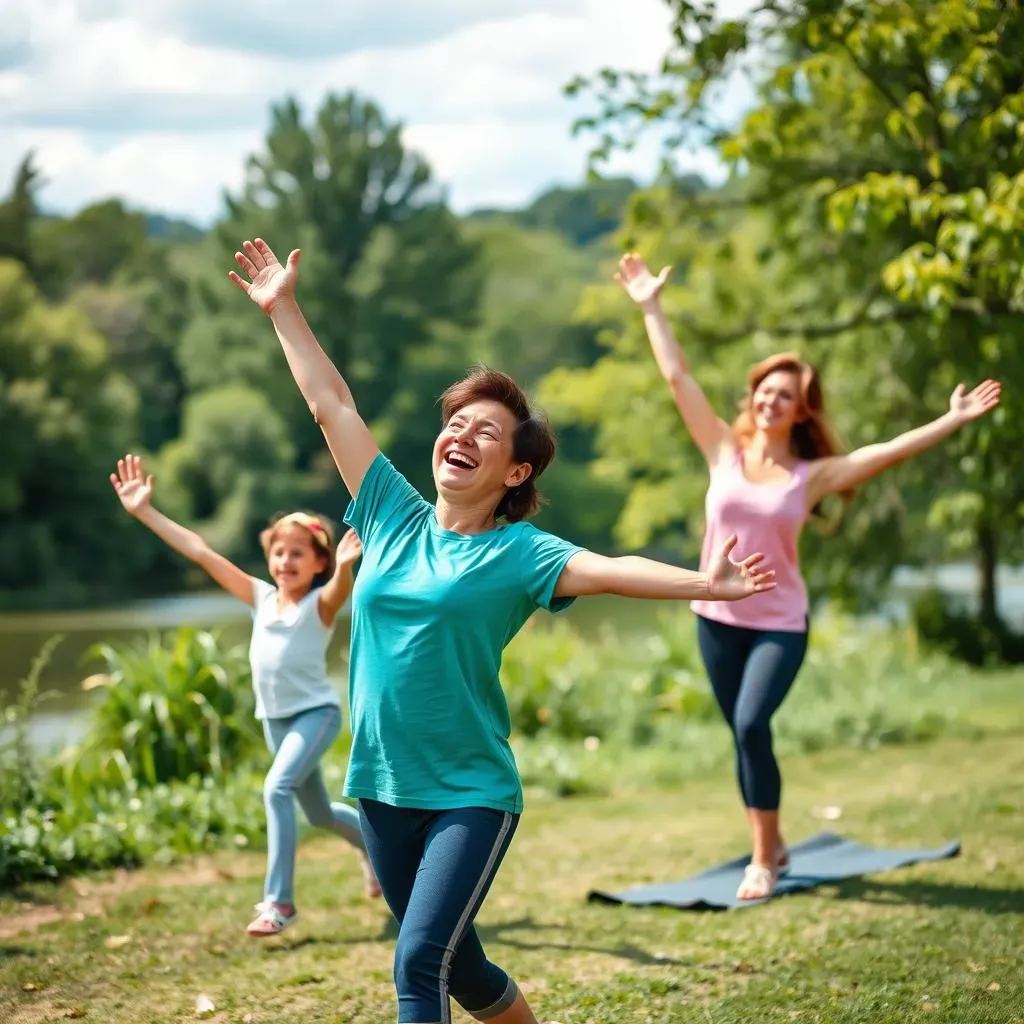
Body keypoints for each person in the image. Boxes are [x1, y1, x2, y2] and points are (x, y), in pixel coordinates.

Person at [227, 237, 776, 1024]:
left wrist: (705, 582)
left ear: (517, 472)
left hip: (470, 794)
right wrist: (284, 308)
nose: (462, 435)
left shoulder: (523, 553)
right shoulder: (388, 513)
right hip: (381, 785)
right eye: (457, 423)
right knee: (465, 968)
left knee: (418, 962)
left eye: (486, 433)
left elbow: (614, 567)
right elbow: (331, 405)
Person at [615, 251, 1003, 902]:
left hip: (779, 621)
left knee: (750, 726)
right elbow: (677, 375)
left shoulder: (811, 475)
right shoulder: (723, 452)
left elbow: (888, 451)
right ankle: (772, 844)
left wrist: (952, 420)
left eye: (787, 396)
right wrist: (651, 305)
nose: (773, 400)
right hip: (715, 618)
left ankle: (764, 860)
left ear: (800, 411)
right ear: (754, 398)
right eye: (766, 389)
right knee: (743, 736)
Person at [110, 455, 381, 937]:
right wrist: (145, 513)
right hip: (275, 721)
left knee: (276, 788)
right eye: (279, 552)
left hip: (315, 715)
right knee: (318, 814)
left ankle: (280, 903)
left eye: (298, 553)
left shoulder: (320, 603)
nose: (286, 561)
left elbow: (341, 592)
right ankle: (373, 849)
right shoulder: (258, 597)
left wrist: (343, 568)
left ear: (317, 562)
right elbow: (200, 551)